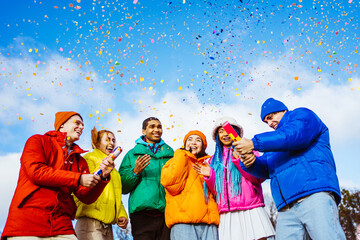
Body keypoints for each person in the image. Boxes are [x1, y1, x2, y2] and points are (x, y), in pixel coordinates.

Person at [233, 98, 346, 240]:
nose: (269, 123)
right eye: (266, 121)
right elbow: (267, 169)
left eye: (270, 117)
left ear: (282, 110)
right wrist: (250, 162)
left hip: (314, 194)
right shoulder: (273, 145)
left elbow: (294, 135)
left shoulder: (302, 115)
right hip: (286, 207)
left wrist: (254, 143)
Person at [1, 111, 114, 240]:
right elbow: (36, 172)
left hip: (61, 224)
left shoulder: (80, 161)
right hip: (27, 221)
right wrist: (77, 178)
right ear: (62, 125)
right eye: (77, 123)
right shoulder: (38, 140)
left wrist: (102, 178)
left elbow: (85, 197)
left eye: (83, 125)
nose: (82, 127)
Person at [193, 117, 275, 240]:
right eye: (220, 131)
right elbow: (217, 192)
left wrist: (239, 160)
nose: (225, 134)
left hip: (251, 208)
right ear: (217, 136)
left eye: (228, 130)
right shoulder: (213, 160)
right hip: (227, 213)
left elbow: (257, 178)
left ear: (235, 132)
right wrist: (210, 176)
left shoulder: (247, 150)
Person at [119, 117, 174, 240]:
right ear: (144, 131)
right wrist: (135, 172)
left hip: (166, 213)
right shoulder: (132, 155)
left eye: (159, 127)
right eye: (152, 126)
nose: (157, 130)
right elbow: (122, 187)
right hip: (141, 215)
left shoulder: (171, 155)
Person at [161, 130, 220, 240]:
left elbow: (219, 192)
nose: (193, 143)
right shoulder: (173, 161)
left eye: (198, 140)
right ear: (184, 144)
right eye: (190, 140)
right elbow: (171, 185)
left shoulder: (209, 165)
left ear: (203, 146)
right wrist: (181, 154)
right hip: (183, 223)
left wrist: (210, 174)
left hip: (209, 224)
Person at [74, 127, 128, 240]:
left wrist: (121, 214)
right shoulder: (90, 158)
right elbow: (82, 187)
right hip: (90, 222)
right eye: (107, 140)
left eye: (113, 140)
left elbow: (117, 197)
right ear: (97, 142)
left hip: (107, 225)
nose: (111, 143)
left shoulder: (115, 172)